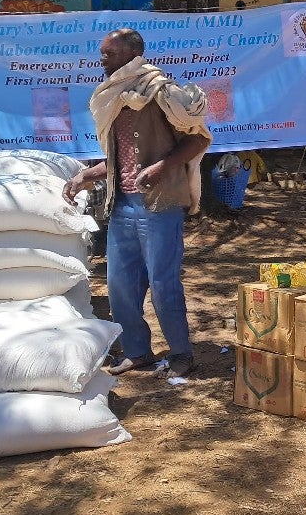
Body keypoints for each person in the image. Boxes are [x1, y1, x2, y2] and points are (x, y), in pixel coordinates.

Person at [63, 29, 211, 379]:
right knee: (119, 285)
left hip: (160, 205)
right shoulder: (113, 98)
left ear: (133, 54)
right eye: (102, 53)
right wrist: (87, 175)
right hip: (122, 205)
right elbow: (120, 159)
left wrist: (161, 167)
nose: (103, 60)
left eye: (110, 54)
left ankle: (180, 353)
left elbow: (197, 140)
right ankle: (137, 351)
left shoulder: (161, 93)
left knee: (163, 283)